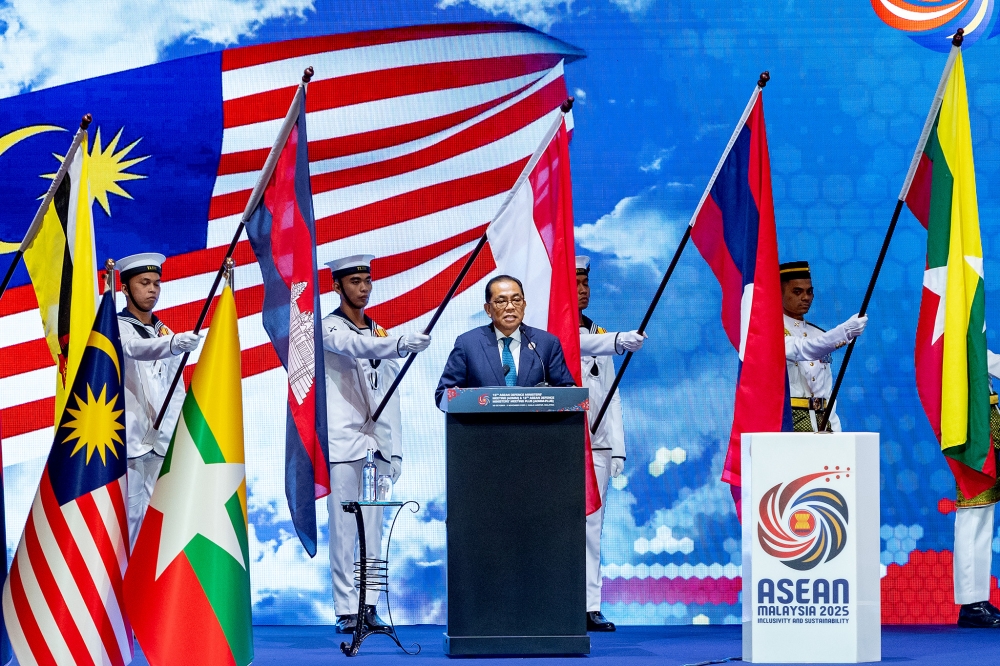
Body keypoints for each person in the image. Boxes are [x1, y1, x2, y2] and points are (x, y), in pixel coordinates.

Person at [321, 254, 431, 634]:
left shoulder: (381, 332)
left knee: (374, 531)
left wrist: (395, 450)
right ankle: (345, 609)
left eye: (367, 280)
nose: (364, 288)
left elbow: (391, 395)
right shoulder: (330, 329)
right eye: (354, 281)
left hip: (377, 448)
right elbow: (355, 347)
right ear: (337, 286)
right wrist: (401, 343)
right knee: (344, 530)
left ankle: (368, 606)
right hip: (343, 445)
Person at [575, 256, 645, 632]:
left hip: (597, 444)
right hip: (560, 444)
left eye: (585, 283)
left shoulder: (596, 330)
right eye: (575, 283)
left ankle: (589, 605)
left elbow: (612, 394)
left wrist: (617, 447)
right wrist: (617, 340)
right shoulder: (550, 333)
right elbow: (577, 344)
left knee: (591, 525)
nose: (582, 290)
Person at [117, 252, 203, 549]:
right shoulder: (117, 326)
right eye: (144, 283)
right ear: (125, 289)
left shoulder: (162, 329)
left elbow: (175, 388)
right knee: (128, 524)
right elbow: (134, 349)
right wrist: (172, 343)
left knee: (163, 523)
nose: (152, 289)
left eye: (156, 283)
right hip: (132, 443)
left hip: (164, 442)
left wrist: (182, 432)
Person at [436, 274, 575, 406]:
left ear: (524, 305)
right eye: (501, 301)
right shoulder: (468, 344)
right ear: (488, 309)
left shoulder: (547, 344)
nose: (510, 307)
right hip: (483, 429)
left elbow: (569, 393)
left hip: (534, 429)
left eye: (516, 300)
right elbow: (443, 395)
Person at [780, 261, 867, 432]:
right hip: (789, 422)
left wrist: (835, 429)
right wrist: (844, 332)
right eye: (797, 292)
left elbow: (826, 391)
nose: (805, 297)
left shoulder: (818, 334)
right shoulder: (770, 333)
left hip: (822, 421)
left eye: (809, 292)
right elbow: (804, 349)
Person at [951, 350, 1000, 628]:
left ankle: (979, 598)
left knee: (985, 515)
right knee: (973, 514)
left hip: (989, 422)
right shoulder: (952, 332)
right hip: (971, 428)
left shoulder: (970, 331)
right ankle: (971, 603)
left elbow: (989, 361)